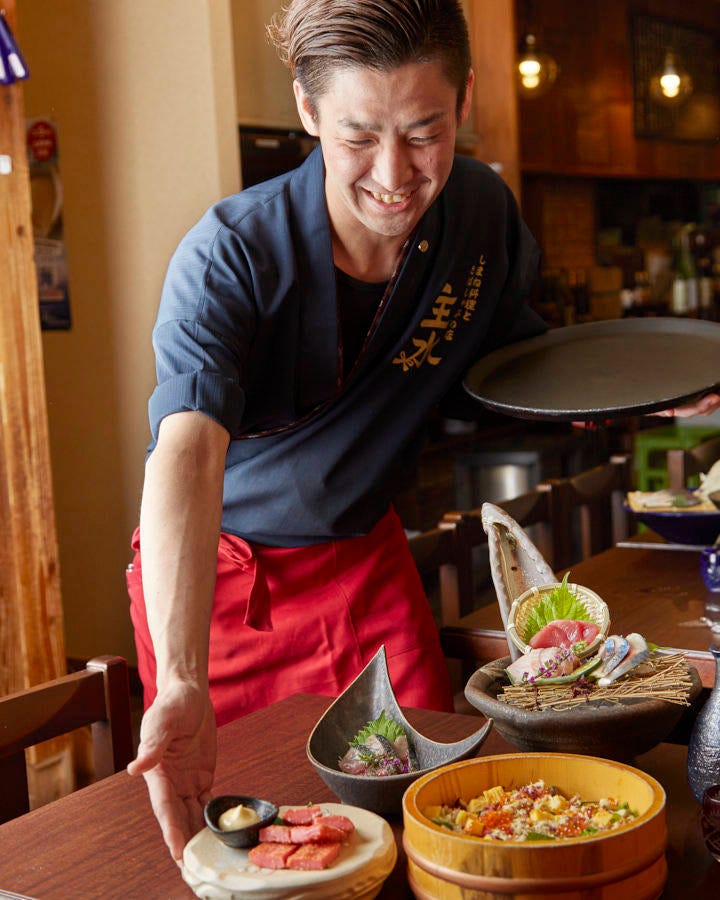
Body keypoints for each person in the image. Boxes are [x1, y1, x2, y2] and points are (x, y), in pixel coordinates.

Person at [125, 0, 720, 865]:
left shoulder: (476, 213)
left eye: (424, 131)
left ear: (465, 100)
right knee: (263, 846)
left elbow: (515, 368)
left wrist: (649, 391)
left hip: (365, 557)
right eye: (359, 136)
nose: (395, 175)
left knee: (427, 813)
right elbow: (187, 444)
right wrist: (180, 679)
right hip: (223, 591)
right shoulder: (232, 256)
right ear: (308, 110)